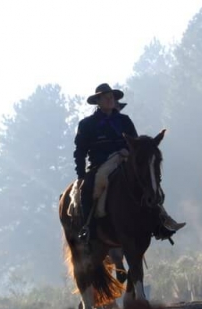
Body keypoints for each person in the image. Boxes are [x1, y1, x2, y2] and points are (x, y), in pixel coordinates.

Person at [73, 83, 186, 244]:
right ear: (97, 100)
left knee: (147, 181)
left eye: (111, 96)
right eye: (106, 97)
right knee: (88, 188)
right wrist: (81, 174)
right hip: (101, 164)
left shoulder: (124, 120)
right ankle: (88, 229)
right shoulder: (87, 124)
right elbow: (80, 151)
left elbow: (136, 143)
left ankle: (160, 222)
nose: (110, 99)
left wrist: (132, 153)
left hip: (126, 159)